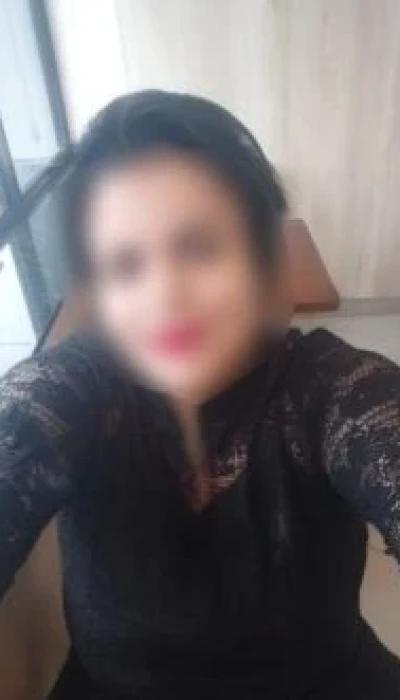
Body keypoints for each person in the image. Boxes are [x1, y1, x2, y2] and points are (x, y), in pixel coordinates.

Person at [0, 90, 399, 700]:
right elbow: (19, 429)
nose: (165, 292)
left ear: (264, 260)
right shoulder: (80, 388)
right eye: (125, 265)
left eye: (200, 247)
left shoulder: (327, 388)